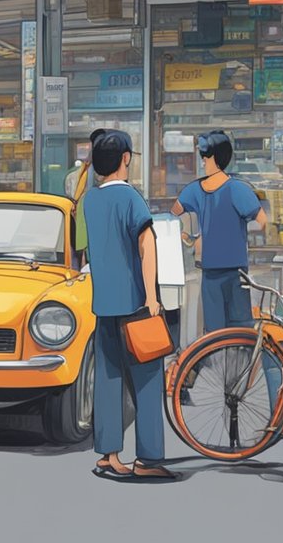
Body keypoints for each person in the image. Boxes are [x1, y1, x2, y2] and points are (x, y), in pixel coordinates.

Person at [82, 130, 178, 483]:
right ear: (125, 158)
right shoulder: (130, 198)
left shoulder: (91, 201)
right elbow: (146, 246)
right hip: (135, 305)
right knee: (148, 380)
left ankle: (109, 455)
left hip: (103, 304)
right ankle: (148, 457)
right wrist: (152, 297)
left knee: (107, 381)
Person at [171, 130, 269, 332]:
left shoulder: (194, 190)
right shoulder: (238, 189)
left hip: (215, 271)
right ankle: (241, 365)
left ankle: (220, 364)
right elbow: (262, 222)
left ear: (212, 157)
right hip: (235, 270)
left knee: (215, 333)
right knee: (241, 330)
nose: (202, 161)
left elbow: (173, 216)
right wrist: (237, 233)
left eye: (204, 157)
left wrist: (190, 238)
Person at [72, 129, 108, 266]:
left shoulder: (89, 166)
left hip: (86, 207)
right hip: (89, 208)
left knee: (86, 246)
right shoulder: (93, 167)